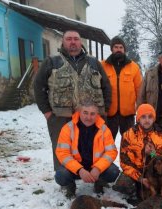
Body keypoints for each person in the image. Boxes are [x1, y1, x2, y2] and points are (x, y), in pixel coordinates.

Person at [34, 30, 112, 171]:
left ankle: (99, 177)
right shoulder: (52, 61)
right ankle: (66, 182)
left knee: (96, 146)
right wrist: (47, 112)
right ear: (63, 42)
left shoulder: (94, 62)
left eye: (76, 39)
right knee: (62, 148)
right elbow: (38, 87)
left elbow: (106, 86)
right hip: (61, 117)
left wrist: (105, 109)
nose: (73, 42)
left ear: (80, 42)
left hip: (91, 116)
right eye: (69, 39)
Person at [112, 104, 162, 204]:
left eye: (150, 117)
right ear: (138, 119)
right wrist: (140, 178)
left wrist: (154, 154)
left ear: (154, 118)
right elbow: (125, 163)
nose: (147, 120)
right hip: (137, 172)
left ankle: (159, 189)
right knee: (123, 185)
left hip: (156, 171)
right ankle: (139, 188)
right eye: (143, 117)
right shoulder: (128, 135)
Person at [54, 100, 119, 197]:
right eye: (85, 113)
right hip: (76, 168)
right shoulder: (68, 128)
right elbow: (62, 153)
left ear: (97, 114)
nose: (88, 117)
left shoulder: (104, 129)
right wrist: (79, 170)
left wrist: (98, 168)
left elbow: (111, 152)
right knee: (61, 175)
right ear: (79, 112)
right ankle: (70, 185)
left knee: (113, 172)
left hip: (96, 167)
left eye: (92, 114)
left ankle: (99, 182)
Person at [101, 36, 143, 139]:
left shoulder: (134, 67)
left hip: (128, 115)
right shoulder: (102, 65)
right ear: (112, 49)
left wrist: (141, 110)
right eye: (116, 47)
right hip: (109, 114)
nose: (118, 49)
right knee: (107, 144)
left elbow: (139, 90)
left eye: (121, 47)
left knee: (130, 144)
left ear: (124, 50)